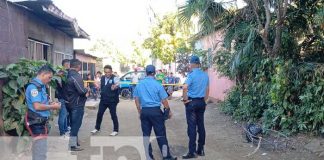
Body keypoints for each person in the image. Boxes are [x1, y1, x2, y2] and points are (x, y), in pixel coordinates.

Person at [134, 65, 177, 160]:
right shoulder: (157, 84)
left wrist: (139, 112)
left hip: (144, 111)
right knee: (161, 134)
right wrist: (168, 111)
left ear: (146, 73)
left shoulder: (139, 84)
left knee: (146, 135)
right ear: (154, 73)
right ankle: (166, 157)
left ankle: (149, 157)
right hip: (156, 111)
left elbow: (136, 100)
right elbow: (164, 100)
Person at [25, 65, 61, 160]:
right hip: (36, 122)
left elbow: (42, 101)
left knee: (40, 150)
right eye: (49, 77)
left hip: (40, 122)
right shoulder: (34, 87)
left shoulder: (41, 86)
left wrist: (50, 103)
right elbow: (37, 106)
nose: (49, 80)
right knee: (40, 152)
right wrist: (53, 106)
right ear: (43, 74)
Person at [181, 55, 209, 159]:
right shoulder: (205, 75)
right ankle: (200, 149)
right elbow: (207, 90)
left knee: (192, 127)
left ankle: (192, 152)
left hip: (192, 103)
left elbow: (185, 87)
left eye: (190, 63)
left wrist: (185, 100)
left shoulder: (191, 75)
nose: (189, 65)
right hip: (201, 102)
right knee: (201, 125)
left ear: (193, 64)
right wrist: (204, 101)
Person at [65, 59, 89, 151]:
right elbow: (82, 91)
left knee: (73, 123)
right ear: (78, 66)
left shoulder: (66, 75)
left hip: (69, 103)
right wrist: (87, 89)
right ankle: (72, 145)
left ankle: (75, 142)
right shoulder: (76, 76)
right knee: (76, 124)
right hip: (77, 104)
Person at [91, 65, 120, 136]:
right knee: (99, 114)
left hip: (112, 100)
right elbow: (102, 85)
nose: (107, 74)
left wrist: (115, 87)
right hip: (103, 100)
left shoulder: (115, 78)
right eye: (106, 72)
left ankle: (115, 130)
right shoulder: (103, 77)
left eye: (109, 72)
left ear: (111, 72)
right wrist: (98, 86)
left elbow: (117, 84)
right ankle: (97, 128)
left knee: (113, 115)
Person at [55, 59, 70, 138]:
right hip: (62, 97)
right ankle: (62, 132)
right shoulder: (61, 73)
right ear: (65, 65)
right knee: (63, 114)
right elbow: (60, 85)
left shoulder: (65, 73)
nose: (69, 66)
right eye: (68, 64)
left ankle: (65, 130)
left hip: (65, 97)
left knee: (65, 114)